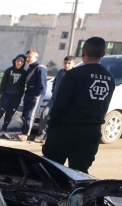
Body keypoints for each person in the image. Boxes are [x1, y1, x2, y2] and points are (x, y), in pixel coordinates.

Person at [42, 37, 114, 173]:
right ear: (103, 53)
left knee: (53, 172)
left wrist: (51, 126)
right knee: (79, 173)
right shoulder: (109, 77)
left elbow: (60, 104)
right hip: (91, 133)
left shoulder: (74, 74)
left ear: (83, 52)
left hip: (65, 130)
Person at [34, 56, 75, 143]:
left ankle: (52, 136)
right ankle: (42, 133)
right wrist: (53, 91)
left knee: (58, 118)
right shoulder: (60, 72)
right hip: (54, 98)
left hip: (66, 101)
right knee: (44, 114)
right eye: (65, 63)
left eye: (69, 63)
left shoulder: (75, 74)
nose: (66, 65)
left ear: (73, 64)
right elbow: (55, 82)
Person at [0, 54, 27, 138]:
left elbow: (23, 85)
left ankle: (3, 132)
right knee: (0, 113)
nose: (19, 63)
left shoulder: (24, 73)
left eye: (21, 61)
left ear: (23, 63)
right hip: (6, 95)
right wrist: (2, 94)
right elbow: (3, 83)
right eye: (18, 61)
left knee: (9, 115)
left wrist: (20, 96)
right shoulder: (9, 70)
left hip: (16, 97)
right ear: (15, 61)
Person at [17, 49, 47, 141]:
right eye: (27, 57)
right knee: (25, 114)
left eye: (30, 57)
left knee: (30, 114)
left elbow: (42, 85)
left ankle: (25, 134)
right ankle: (23, 132)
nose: (28, 59)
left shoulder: (40, 68)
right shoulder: (30, 67)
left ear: (36, 57)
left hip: (35, 94)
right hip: (28, 92)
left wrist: (37, 95)